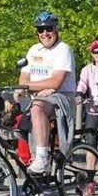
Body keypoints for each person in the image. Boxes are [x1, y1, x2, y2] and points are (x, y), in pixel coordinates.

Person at [17, 11, 76, 177]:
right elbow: (23, 78)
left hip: (62, 97)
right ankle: (34, 158)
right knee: (18, 121)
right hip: (40, 97)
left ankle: (43, 158)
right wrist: (31, 89)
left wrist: (29, 87)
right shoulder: (33, 50)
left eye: (49, 28)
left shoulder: (63, 50)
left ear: (56, 29)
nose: (45, 33)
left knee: (37, 108)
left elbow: (56, 82)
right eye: (40, 30)